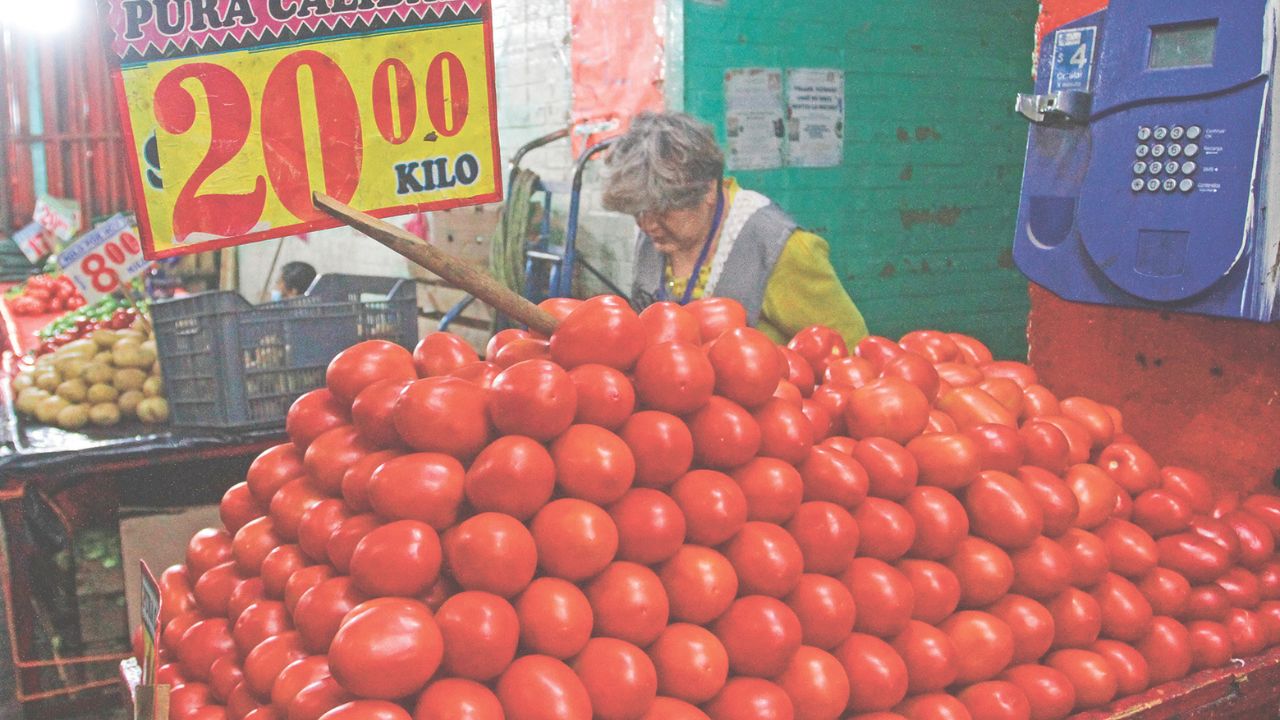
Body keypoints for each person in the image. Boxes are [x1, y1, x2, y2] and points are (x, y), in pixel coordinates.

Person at [602, 112, 868, 348]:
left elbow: (850, 350)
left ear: (707, 189)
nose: (647, 225)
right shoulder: (653, 234)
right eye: (639, 211)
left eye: (662, 209)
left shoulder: (779, 249)